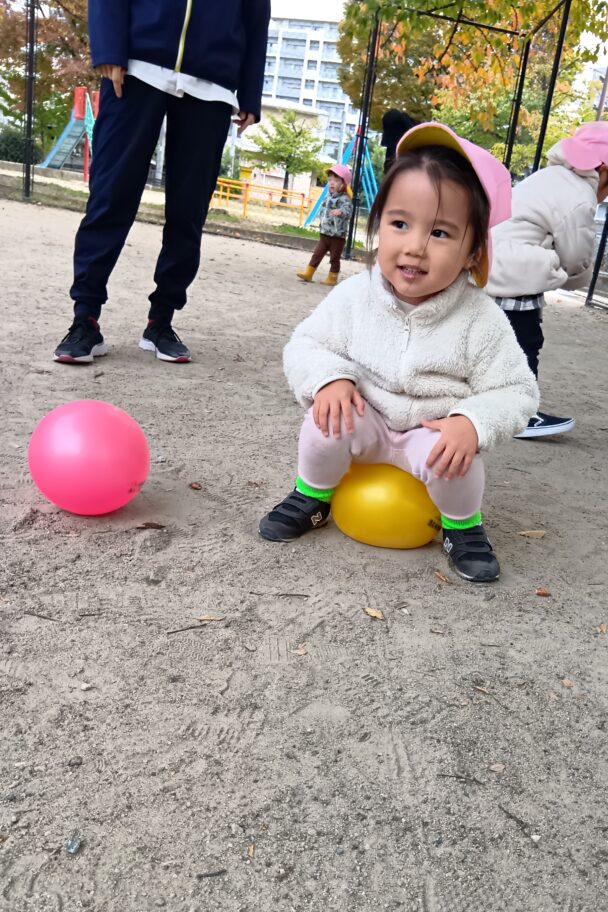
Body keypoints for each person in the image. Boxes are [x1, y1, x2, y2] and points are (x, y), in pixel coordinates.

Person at [259, 123, 539, 583]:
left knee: (456, 462)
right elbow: (305, 343)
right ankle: (313, 495)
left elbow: (517, 389)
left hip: (430, 433)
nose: (415, 247)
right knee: (324, 422)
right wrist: (330, 378)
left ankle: (462, 527)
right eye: (400, 224)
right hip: (366, 419)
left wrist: (472, 422)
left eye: (441, 233)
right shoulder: (355, 296)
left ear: (473, 252)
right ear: (378, 226)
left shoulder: (480, 319)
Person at [53, 0, 271, 366]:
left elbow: (256, 14)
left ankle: (161, 322)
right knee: (110, 195)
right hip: (136, 65)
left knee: (189, 210)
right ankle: (85, 318)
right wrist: (108, 46)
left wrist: (250, 91)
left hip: (213, 83)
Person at [486, 121, 608, 438]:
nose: (606, 196)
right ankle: (520, 414)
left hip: (491, 266)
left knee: (493, 340)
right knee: (526, 343)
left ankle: (485, 400)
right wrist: (574, 277)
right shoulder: (580, 195)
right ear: (602, 168)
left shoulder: (548, 177)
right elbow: (576, 256)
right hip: (515, 273)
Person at [296, 164, 353, 287]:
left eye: (336, 180)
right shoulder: (327, 196)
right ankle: (309, 273)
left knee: (334, 258)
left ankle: (332, 277)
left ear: (343, 184)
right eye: (330, 180)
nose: (332, 183)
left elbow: (349, 212)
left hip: (337, 236)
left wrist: (340, 212)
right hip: (325, 233)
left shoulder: (345, 199)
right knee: (317, 254)